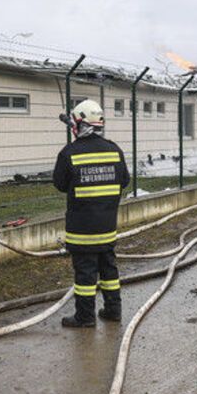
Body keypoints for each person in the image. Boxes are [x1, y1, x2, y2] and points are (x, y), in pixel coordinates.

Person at [53, 100, 130, 328]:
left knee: (85, 275)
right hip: (107, 227)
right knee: (109, 270)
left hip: (82, 229)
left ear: (79, 124)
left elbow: (60, 184)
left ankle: (85, 317)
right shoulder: (114, 150)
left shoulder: (69, 153)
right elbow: (124, 181)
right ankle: (113, 310)